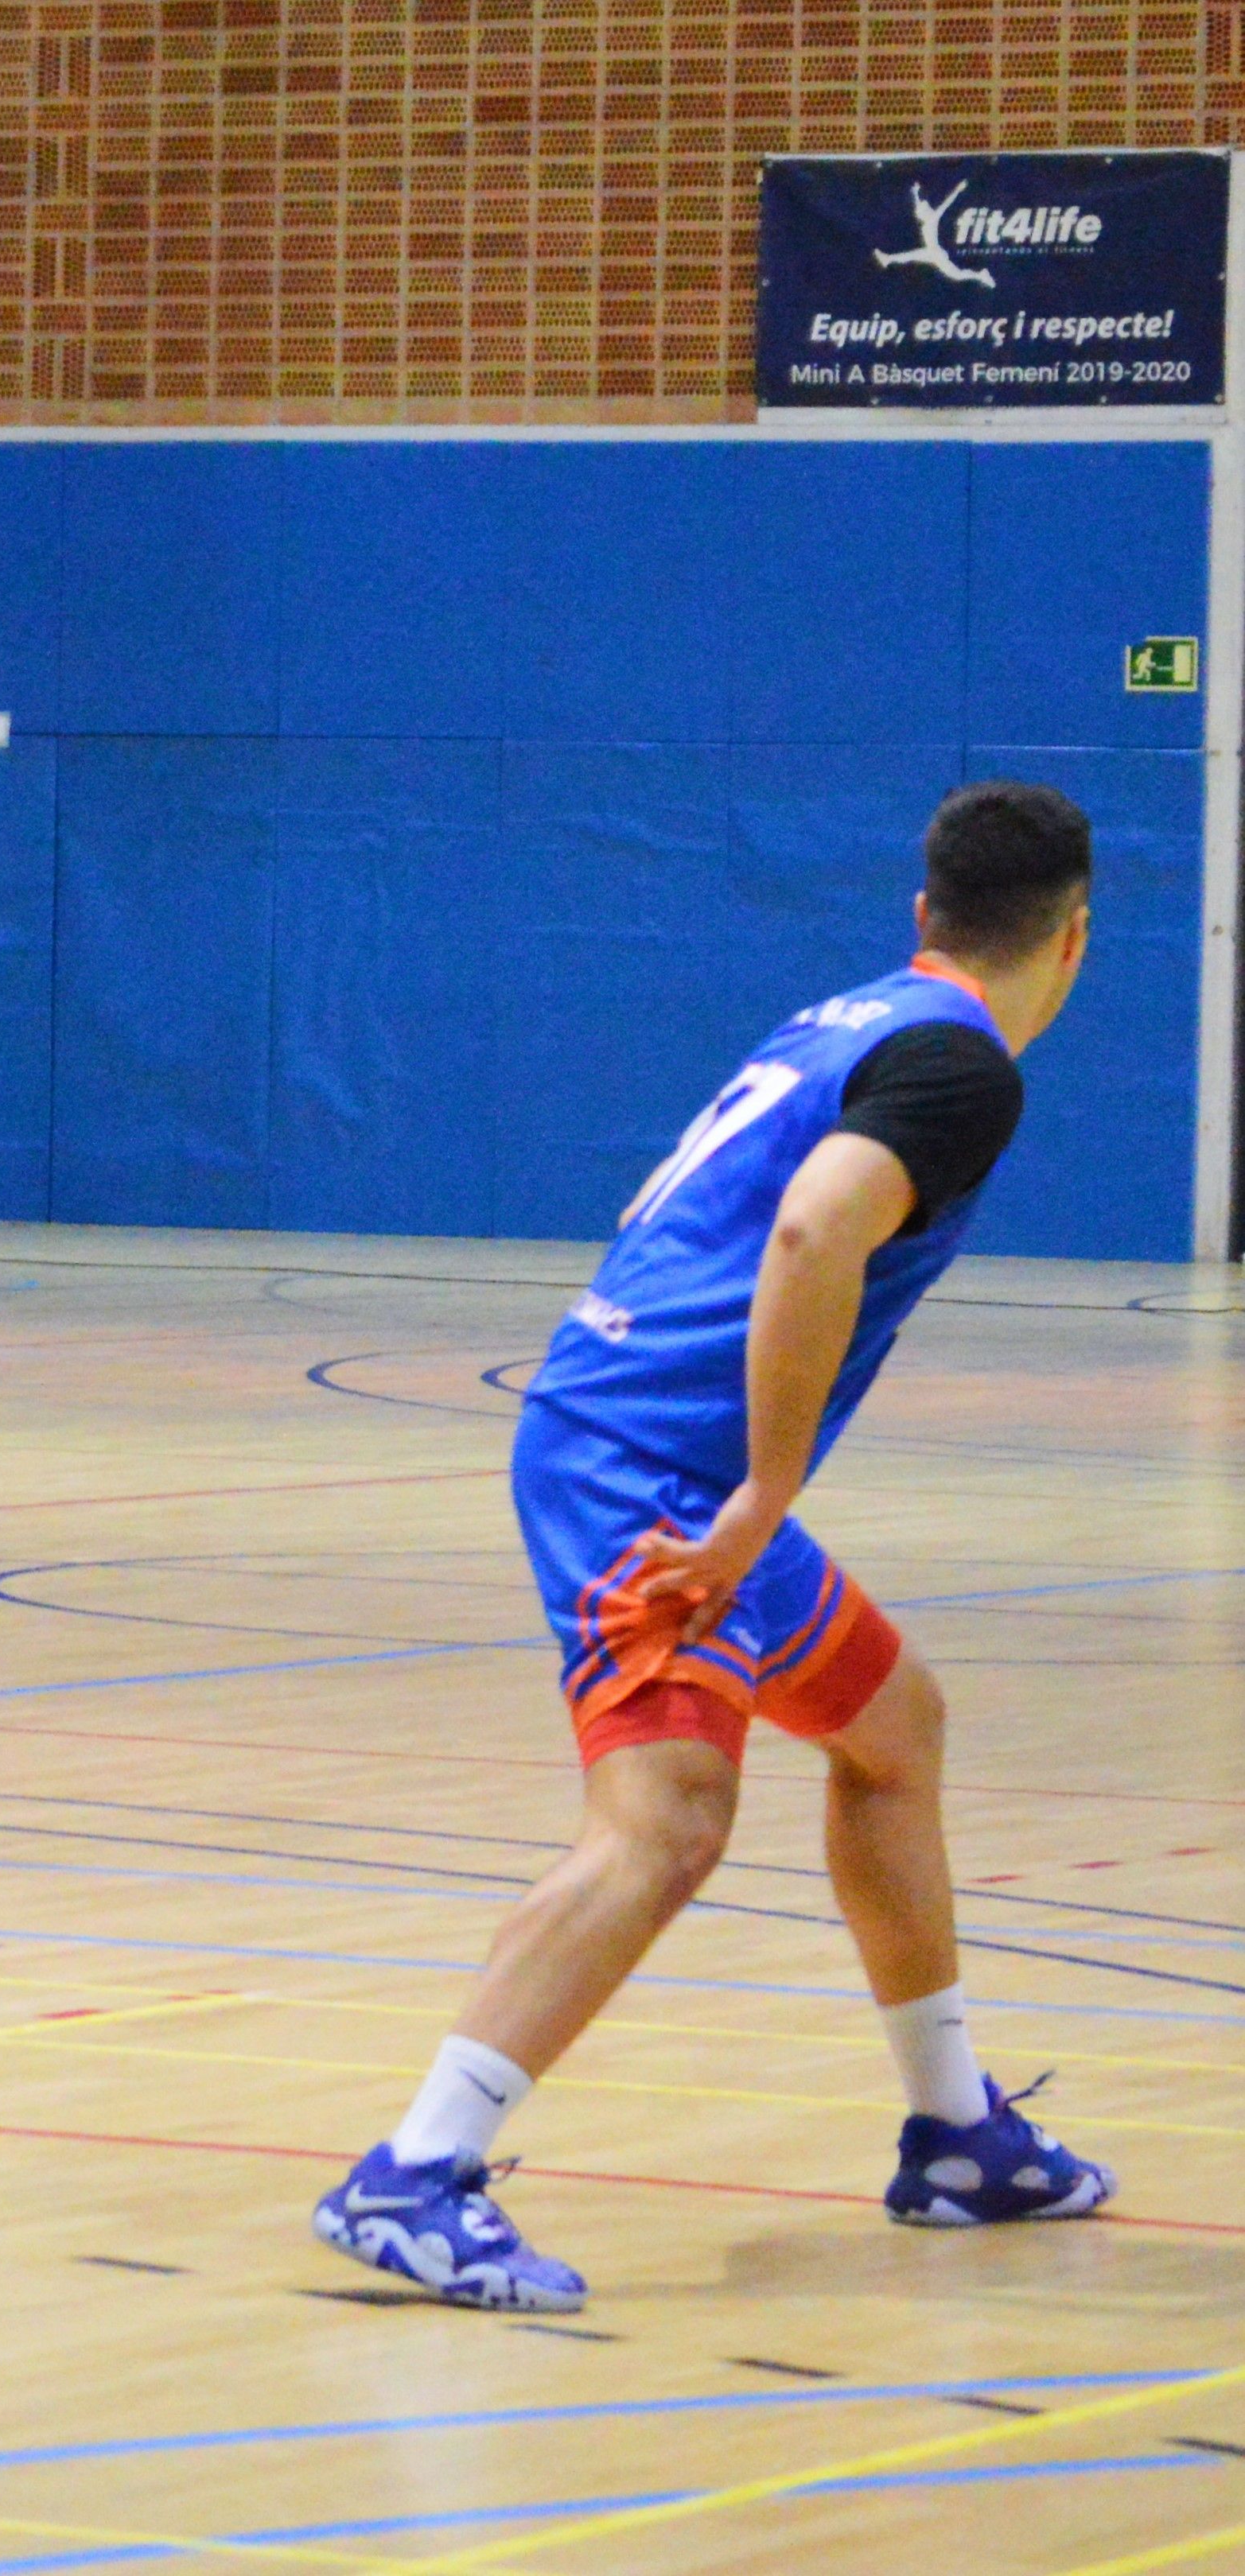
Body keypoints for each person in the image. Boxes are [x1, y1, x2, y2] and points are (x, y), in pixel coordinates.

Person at [313, 783, 1117, 2314]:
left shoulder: (859, 1018)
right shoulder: (960, 1065)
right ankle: (415, 2170)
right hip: (654, 1475)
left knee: (891, 1725)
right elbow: (816, 1228)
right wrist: (753, 1503)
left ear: (922, 915)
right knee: (666, 1819)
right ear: (1072, 941)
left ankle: (956, 2134)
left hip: (640, 1442)